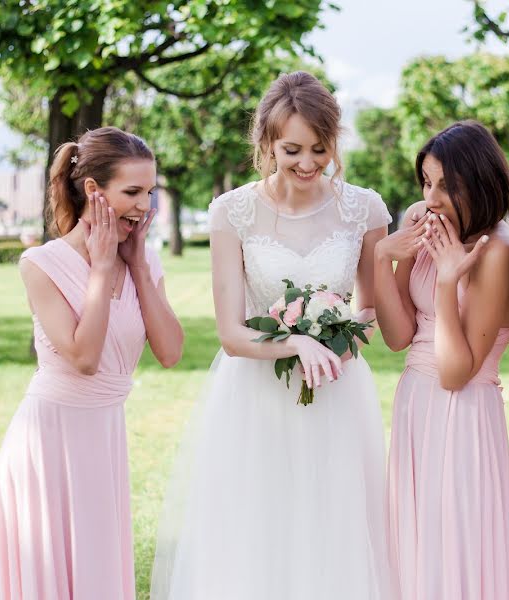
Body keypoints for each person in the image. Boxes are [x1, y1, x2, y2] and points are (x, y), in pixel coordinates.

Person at [150, 71, 393, 600]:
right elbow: (232, 333)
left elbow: (372, 305)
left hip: (337, 390)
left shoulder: (365, 209)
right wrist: (295, 343)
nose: (308, 163)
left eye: (320, 149)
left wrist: (339, 341)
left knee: (333, 520)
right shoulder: (231, 212)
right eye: (292, 149)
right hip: (254, 395)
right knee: (259, 522)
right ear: (266, 143)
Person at [0, 126, 184, 599]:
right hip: (50, 442)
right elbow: (82, 357)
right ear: (94, 190)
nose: (145, 206)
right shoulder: (41, 263)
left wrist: (137, 268)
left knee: (98, 569)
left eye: (150, 191)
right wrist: (101, 268)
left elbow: (170, 352)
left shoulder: (144, 261)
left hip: (103, 437)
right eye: (133, 192)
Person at [376, 121, 509, 600]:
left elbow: (458, 372)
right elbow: (397, 336)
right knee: (413, 545)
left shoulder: (498, 251)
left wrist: (444, 280)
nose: (431, 197)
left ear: (478, 184)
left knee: (453, 547)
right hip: (415, 404)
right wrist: (384, 258)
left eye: (445, 185)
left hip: (462, 416)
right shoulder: (426, 223)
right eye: (426, 181)